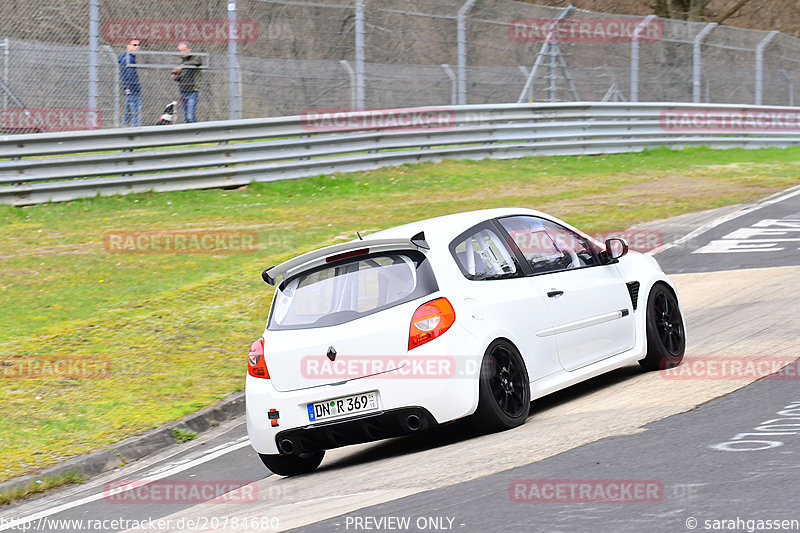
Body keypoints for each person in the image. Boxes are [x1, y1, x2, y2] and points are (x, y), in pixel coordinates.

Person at [171, 42, 202, 123]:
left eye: (184, 50)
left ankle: (196, 132)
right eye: (180, 51)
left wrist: (182, 67)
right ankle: (192, 133)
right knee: (186, 117)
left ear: (189, 49)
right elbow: (177, 78)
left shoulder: (196, 58)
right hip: (182, 92)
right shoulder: (180, 61)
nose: (182, 53)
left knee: (190, 116)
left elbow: (197, 62)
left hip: (192, 91)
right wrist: (175, 75)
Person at [117, 39, 142, 127]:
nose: (137, 47)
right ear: (128, 46)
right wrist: (136, 86)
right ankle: (136, 130)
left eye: (138, 45)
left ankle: (124, 126)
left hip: (129, 87)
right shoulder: (129, 58)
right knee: (136, 112)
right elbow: (130, 75)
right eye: (134, 45)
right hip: (132, 88)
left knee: (128, 112)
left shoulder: (127, 57)